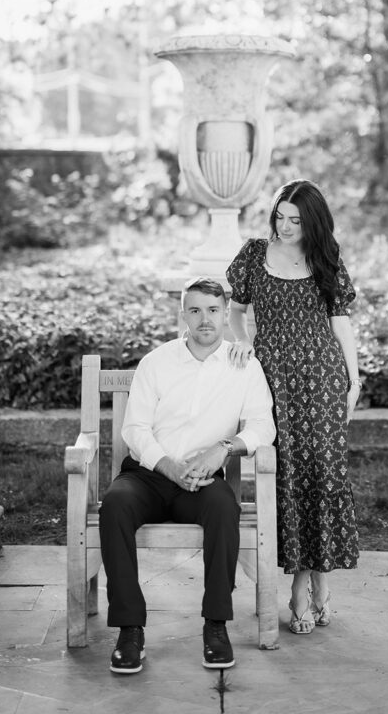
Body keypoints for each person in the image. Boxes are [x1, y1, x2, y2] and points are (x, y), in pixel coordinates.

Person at [99, 276, 275, 675]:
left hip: (202, 479)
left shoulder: (243, 365)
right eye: (195, 310)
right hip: (148, 475)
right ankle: (130, 630)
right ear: (183, 315)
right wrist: (169, 466)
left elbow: (264, 427)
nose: (205, 319)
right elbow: (135, 429)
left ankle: (216, 625)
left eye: (213, 310)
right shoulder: (157, 362)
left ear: (225, 313)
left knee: (222, 509)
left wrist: (223, 449)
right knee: (115, 506)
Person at [227, 179, 360, 635]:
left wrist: (354, 379)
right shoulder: (253, 255)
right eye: (280, 217)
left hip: (322, 376)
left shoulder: (326, 257)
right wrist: (243, 343)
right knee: (289, 476)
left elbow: (341, 324)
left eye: (295, 220)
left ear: (312, 222)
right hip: (273, 379)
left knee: (324, 474)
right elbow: (236, 312)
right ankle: (307, 589)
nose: (285, 227)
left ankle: (310, 587)